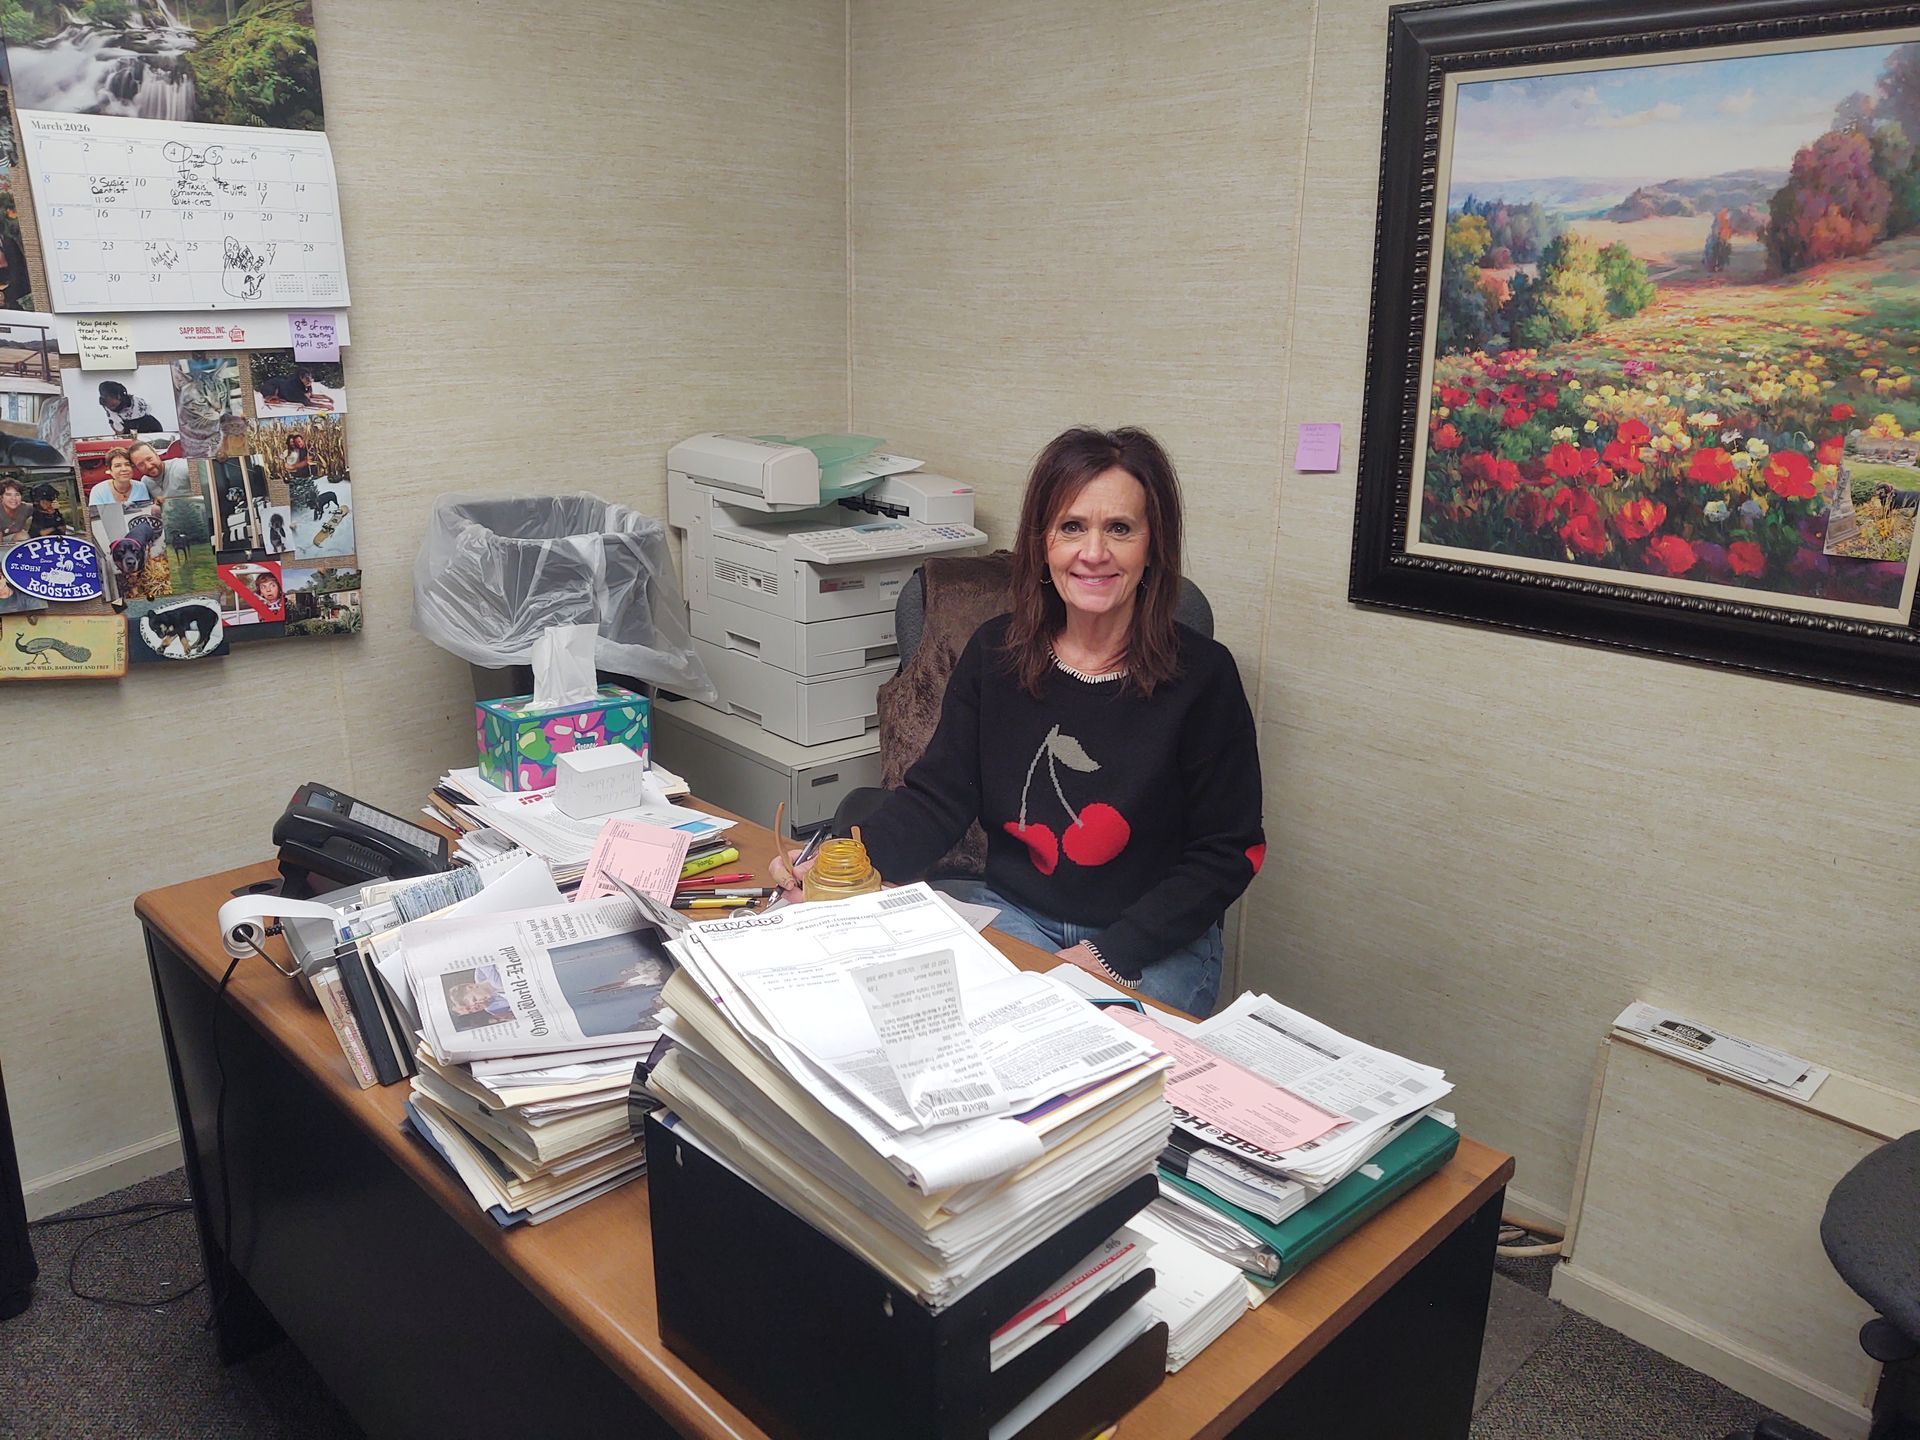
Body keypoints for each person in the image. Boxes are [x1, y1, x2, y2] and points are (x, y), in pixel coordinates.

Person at [790, 427, 1264, 1015]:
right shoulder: (996, 654)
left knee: (1081, 1050)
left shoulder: (1204, 676)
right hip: (1015, 913)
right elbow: (937, 799)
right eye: (1072, 527)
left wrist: (1110, 954)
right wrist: (836, 867)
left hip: (1150, 941)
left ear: (1153, 545)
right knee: (906, 1011)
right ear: (1043, 543)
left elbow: (1228, 849)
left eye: (1120, 528)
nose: (1094, 552)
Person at [86, 447, 153, 506]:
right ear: (110, 470)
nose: (124, 469)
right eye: (117, 466)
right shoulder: (98, 491)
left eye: (127, 464)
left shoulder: (141, 487)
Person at [127, 440, 193, 500]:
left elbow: (200, 496)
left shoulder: (184, 468)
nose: (149, 466)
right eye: (141, 464)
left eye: (149, 459)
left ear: (157, 455)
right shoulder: (145, 482)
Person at [97, 381, 164, 437]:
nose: (110, 406)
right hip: (129, 430)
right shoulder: (107, 407)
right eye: (107, 403)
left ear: (119, 396)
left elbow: (132, 433)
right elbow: (119, 431)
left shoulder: (136, 406)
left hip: (149, 430)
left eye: (112, 404)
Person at [259, 366, 334, 411]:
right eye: (305, 378)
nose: (309, 380)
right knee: (274, 389)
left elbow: (311, 395)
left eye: (309, 377)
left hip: (282, 386)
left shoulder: (307, 386)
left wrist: (325, 397)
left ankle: (277, 397)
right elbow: (307, 403)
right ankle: (271, 398)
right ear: (300, 378)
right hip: (271, 386)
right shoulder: (296, 388)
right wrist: (325, 406)